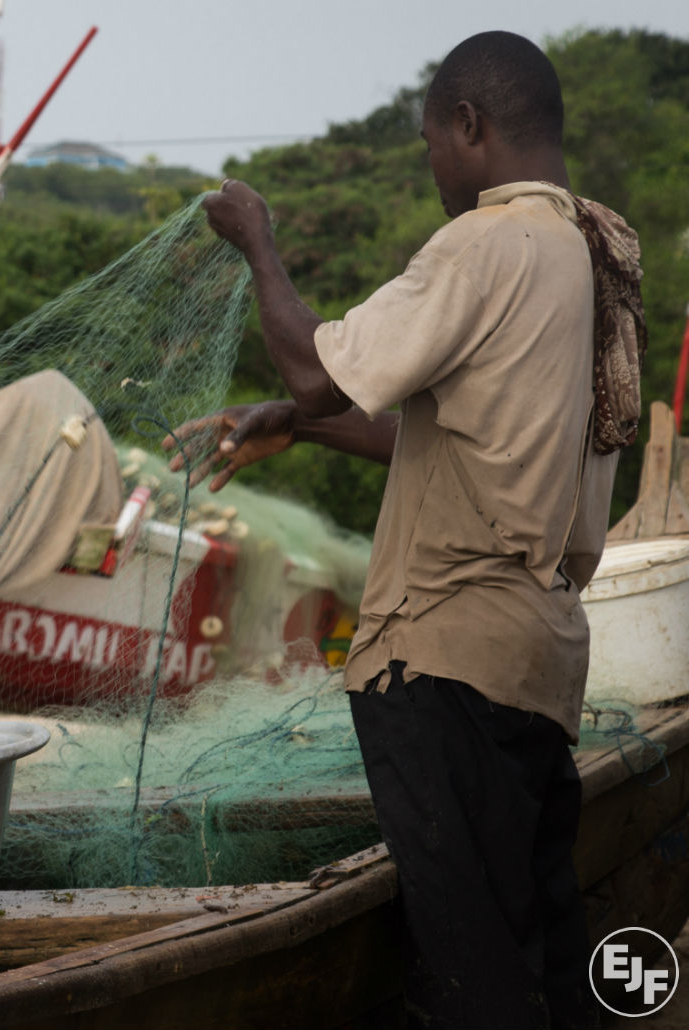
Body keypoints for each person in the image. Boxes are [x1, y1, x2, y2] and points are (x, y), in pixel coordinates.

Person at [167, 32, 640, 1028]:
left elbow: (313, 365)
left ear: (469, 126)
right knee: (545, 946)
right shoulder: (597, 248)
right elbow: (470, 446)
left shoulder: (484, 241)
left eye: (431, 144)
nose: (432, 168)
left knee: (472, 972)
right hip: (539, 660)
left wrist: (259, 239)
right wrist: (292, 427)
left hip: (443, 661)